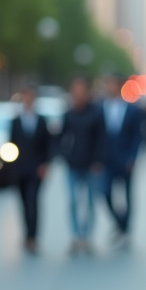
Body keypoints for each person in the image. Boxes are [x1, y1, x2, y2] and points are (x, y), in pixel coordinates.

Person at [58, 75, 104, 254]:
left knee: (91, 202)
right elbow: (61, 137)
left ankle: (88, 236)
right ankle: (76, 236)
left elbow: (102, 139)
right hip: (73, 164)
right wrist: (64, 154)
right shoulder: (68, 113)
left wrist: (98, 160)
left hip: (92, 166)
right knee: (73, 201)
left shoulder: (96, 112)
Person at [100, 73, 143, 245]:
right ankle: (120, 223)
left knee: (127, 195)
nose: (110, 87)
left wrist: (133, 157)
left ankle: (126, 228)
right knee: (105, 193)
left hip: (126, 160)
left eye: (113, 84)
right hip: (106, 161)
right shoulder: (99, 108)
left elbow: (137, 136)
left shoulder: (133, 110)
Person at [8, 86, 52, 253]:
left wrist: (45, 164)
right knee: (23, 203)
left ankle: (33, 237)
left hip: (36, 168)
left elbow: (47, 145)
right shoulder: (16, 121)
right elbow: (10, 144)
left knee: (33, 201)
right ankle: (26, 234)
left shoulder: (41, 121)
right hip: (20, 168)